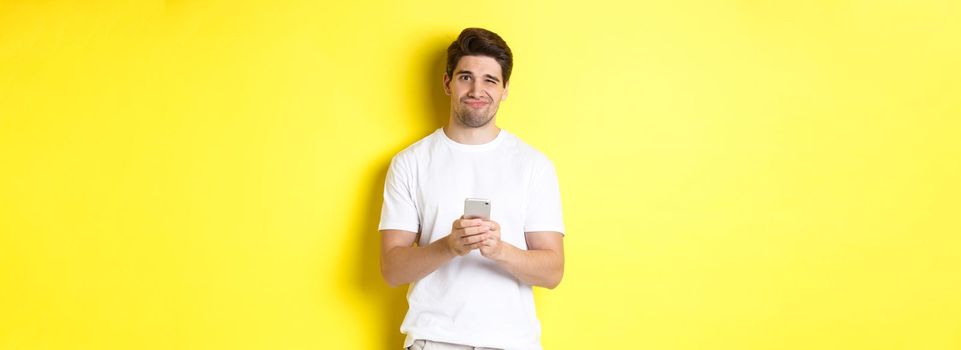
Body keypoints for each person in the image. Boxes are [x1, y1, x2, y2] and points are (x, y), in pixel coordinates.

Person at [379, 27, 565, 350]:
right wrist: (450, 246)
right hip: (434, 340)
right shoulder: (410, 163)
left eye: (490, 80)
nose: (477, 89)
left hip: (512, 343)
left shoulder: (534, 165)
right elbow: (392, 269)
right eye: (466, 77)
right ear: (447, 83)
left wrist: (499, 250)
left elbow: (553, 272)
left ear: (505, 88)